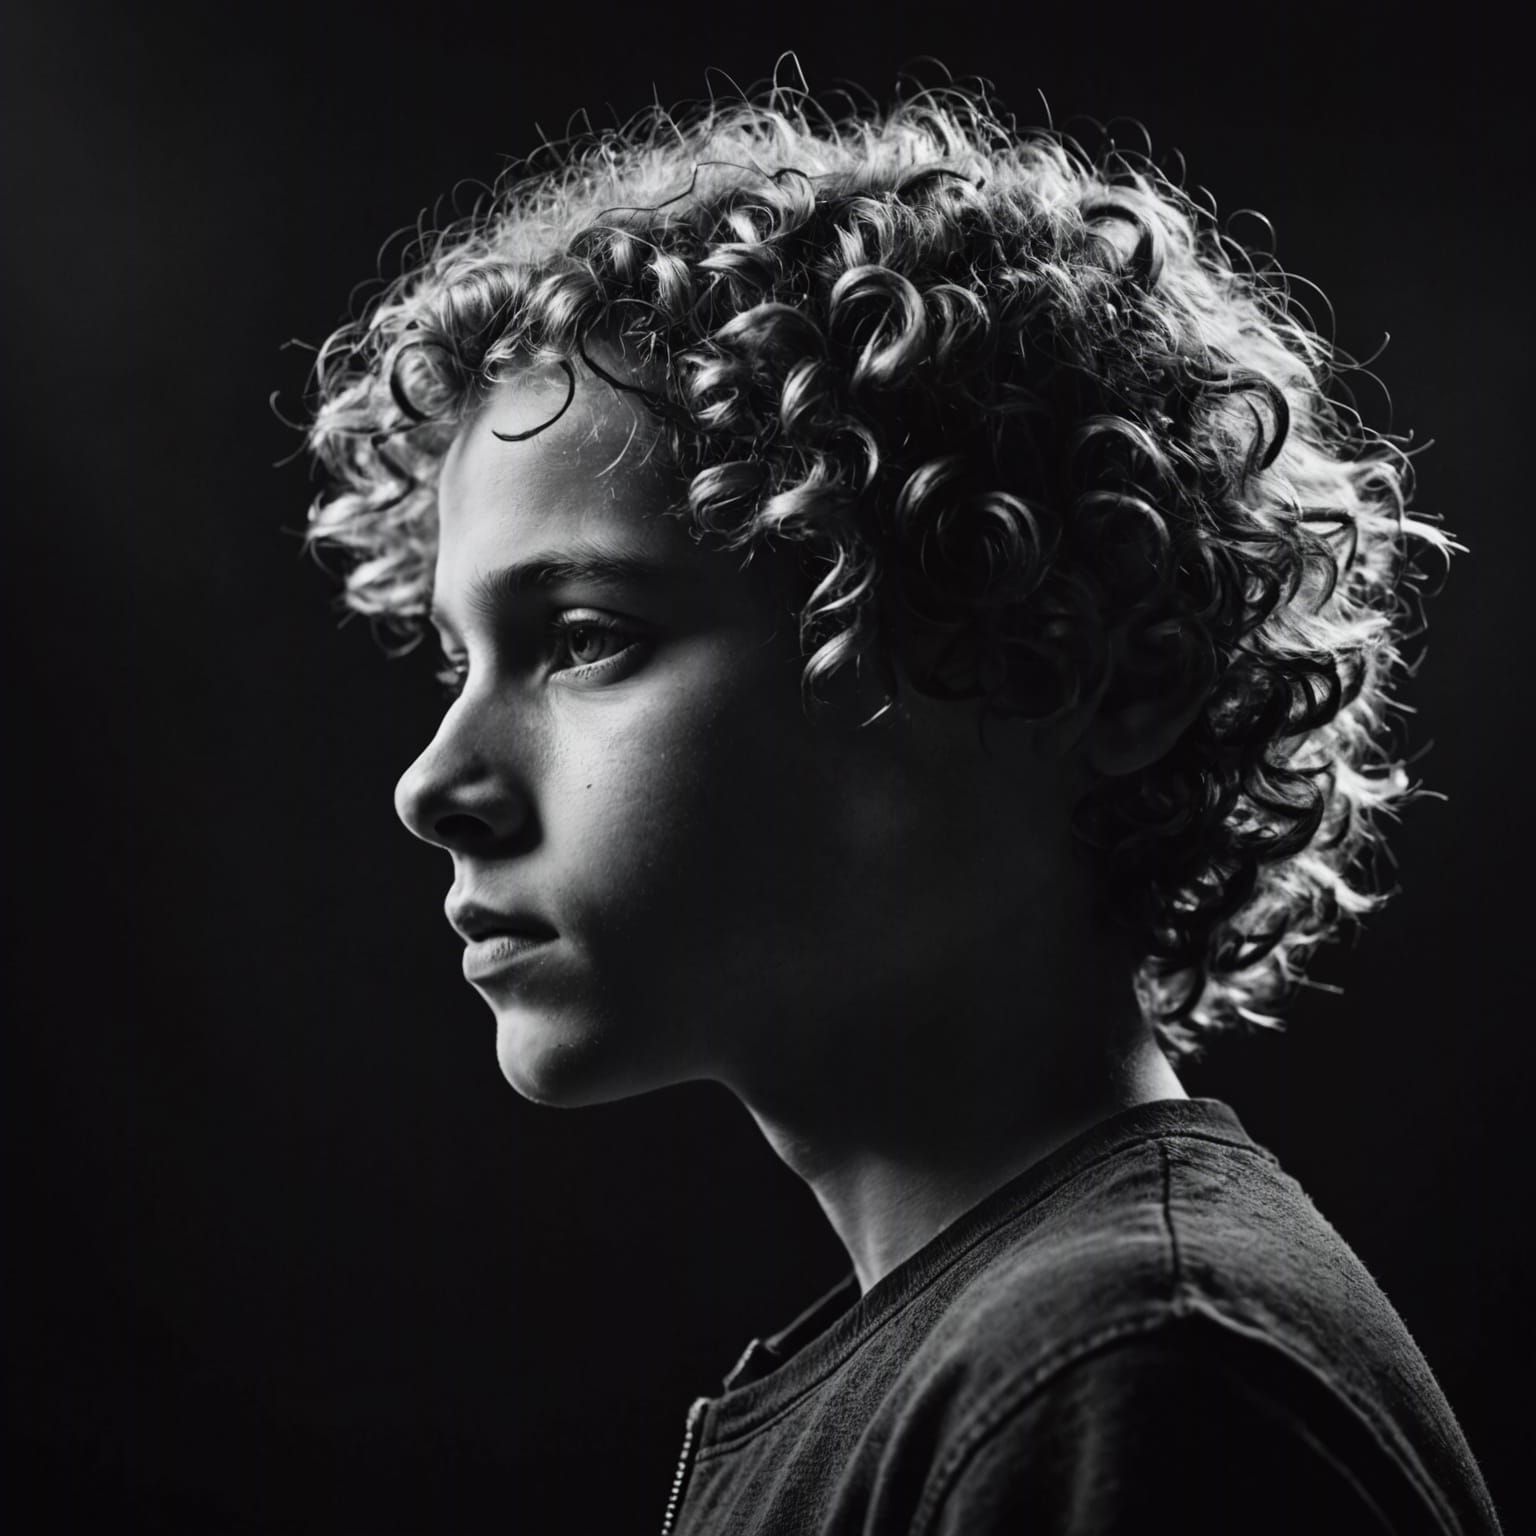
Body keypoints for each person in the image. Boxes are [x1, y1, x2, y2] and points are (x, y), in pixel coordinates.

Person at [300, 65, 1502, 1535]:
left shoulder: (1131, 1374)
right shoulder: (1023, 1352)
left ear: (1063, 671)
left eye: (585, 639)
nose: (437, 784)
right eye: (455, 657)